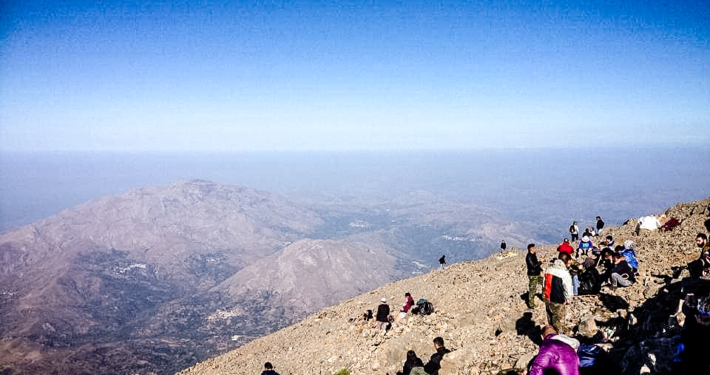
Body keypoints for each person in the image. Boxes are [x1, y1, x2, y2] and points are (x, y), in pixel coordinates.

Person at [543, 253, 574, 334]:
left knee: (550, 322)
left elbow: (544, 283)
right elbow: (568, 289)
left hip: (547, 298)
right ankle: (557, 341)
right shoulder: (564, 273)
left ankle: (550, 338)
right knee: (558, 324)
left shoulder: (549, 269)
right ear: (567, 261)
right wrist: (568, 300)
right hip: (558, 301)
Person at [526, 244, 544, 309]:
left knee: (544, 284)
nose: (535, 248)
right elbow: (533, 266)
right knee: (532, 289)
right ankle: (531, 304)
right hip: (533, 275)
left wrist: (540, 270)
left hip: (537, 273)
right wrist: (540, 262)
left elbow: (536, 265)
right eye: (534, 247)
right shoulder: (529, 257)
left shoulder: (533, 255)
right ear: (531, 248)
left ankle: (544, 297)